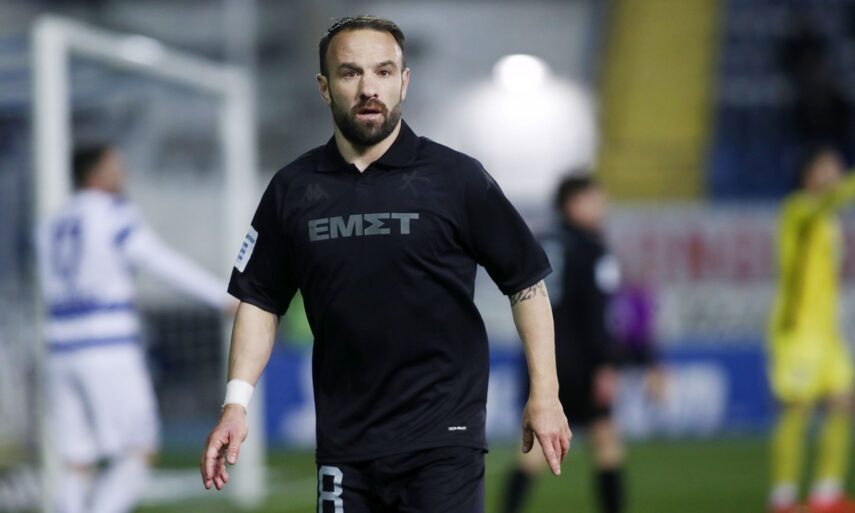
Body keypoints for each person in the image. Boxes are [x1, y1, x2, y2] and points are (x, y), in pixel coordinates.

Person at [199, 15, 571, 513]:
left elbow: (526, 285)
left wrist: (545, 393)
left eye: (383, 71)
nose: (369, 88)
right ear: (324, 87)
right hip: (343, 445)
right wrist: (235, 404)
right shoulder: (293, 189)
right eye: (350, 72)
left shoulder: (457, 179)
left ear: (404, 82)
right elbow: (260, 302)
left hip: (443, 438)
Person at [37, 144, 235, 513]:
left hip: (60, 350)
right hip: (107, 348)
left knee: (76, 459)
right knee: (138, 449)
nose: (123, 173)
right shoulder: (114, 214)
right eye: (116, 166)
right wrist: (221, 297)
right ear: (97, 173)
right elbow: (161, 262)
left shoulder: (51, 222)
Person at [501, 175, 625, 513]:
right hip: (583, 362)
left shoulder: (540, 241)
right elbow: (597, 311)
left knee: (532, 451)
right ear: (573, 203)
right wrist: (605, 363)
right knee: (606, 443)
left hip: (542, 360)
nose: (601, 207)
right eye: (595, 200)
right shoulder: (592, 248)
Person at [767, 147, 855, 513]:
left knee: (844, 402)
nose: (835, 173)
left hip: (827, 333)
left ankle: (825, 495)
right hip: (797, 331)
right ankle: (783, 499)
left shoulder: (831, 222)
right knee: (796, 410)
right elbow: (832, 197)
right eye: (827, 168)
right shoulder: (798, 209)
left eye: (838, 167)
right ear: (809, 176)